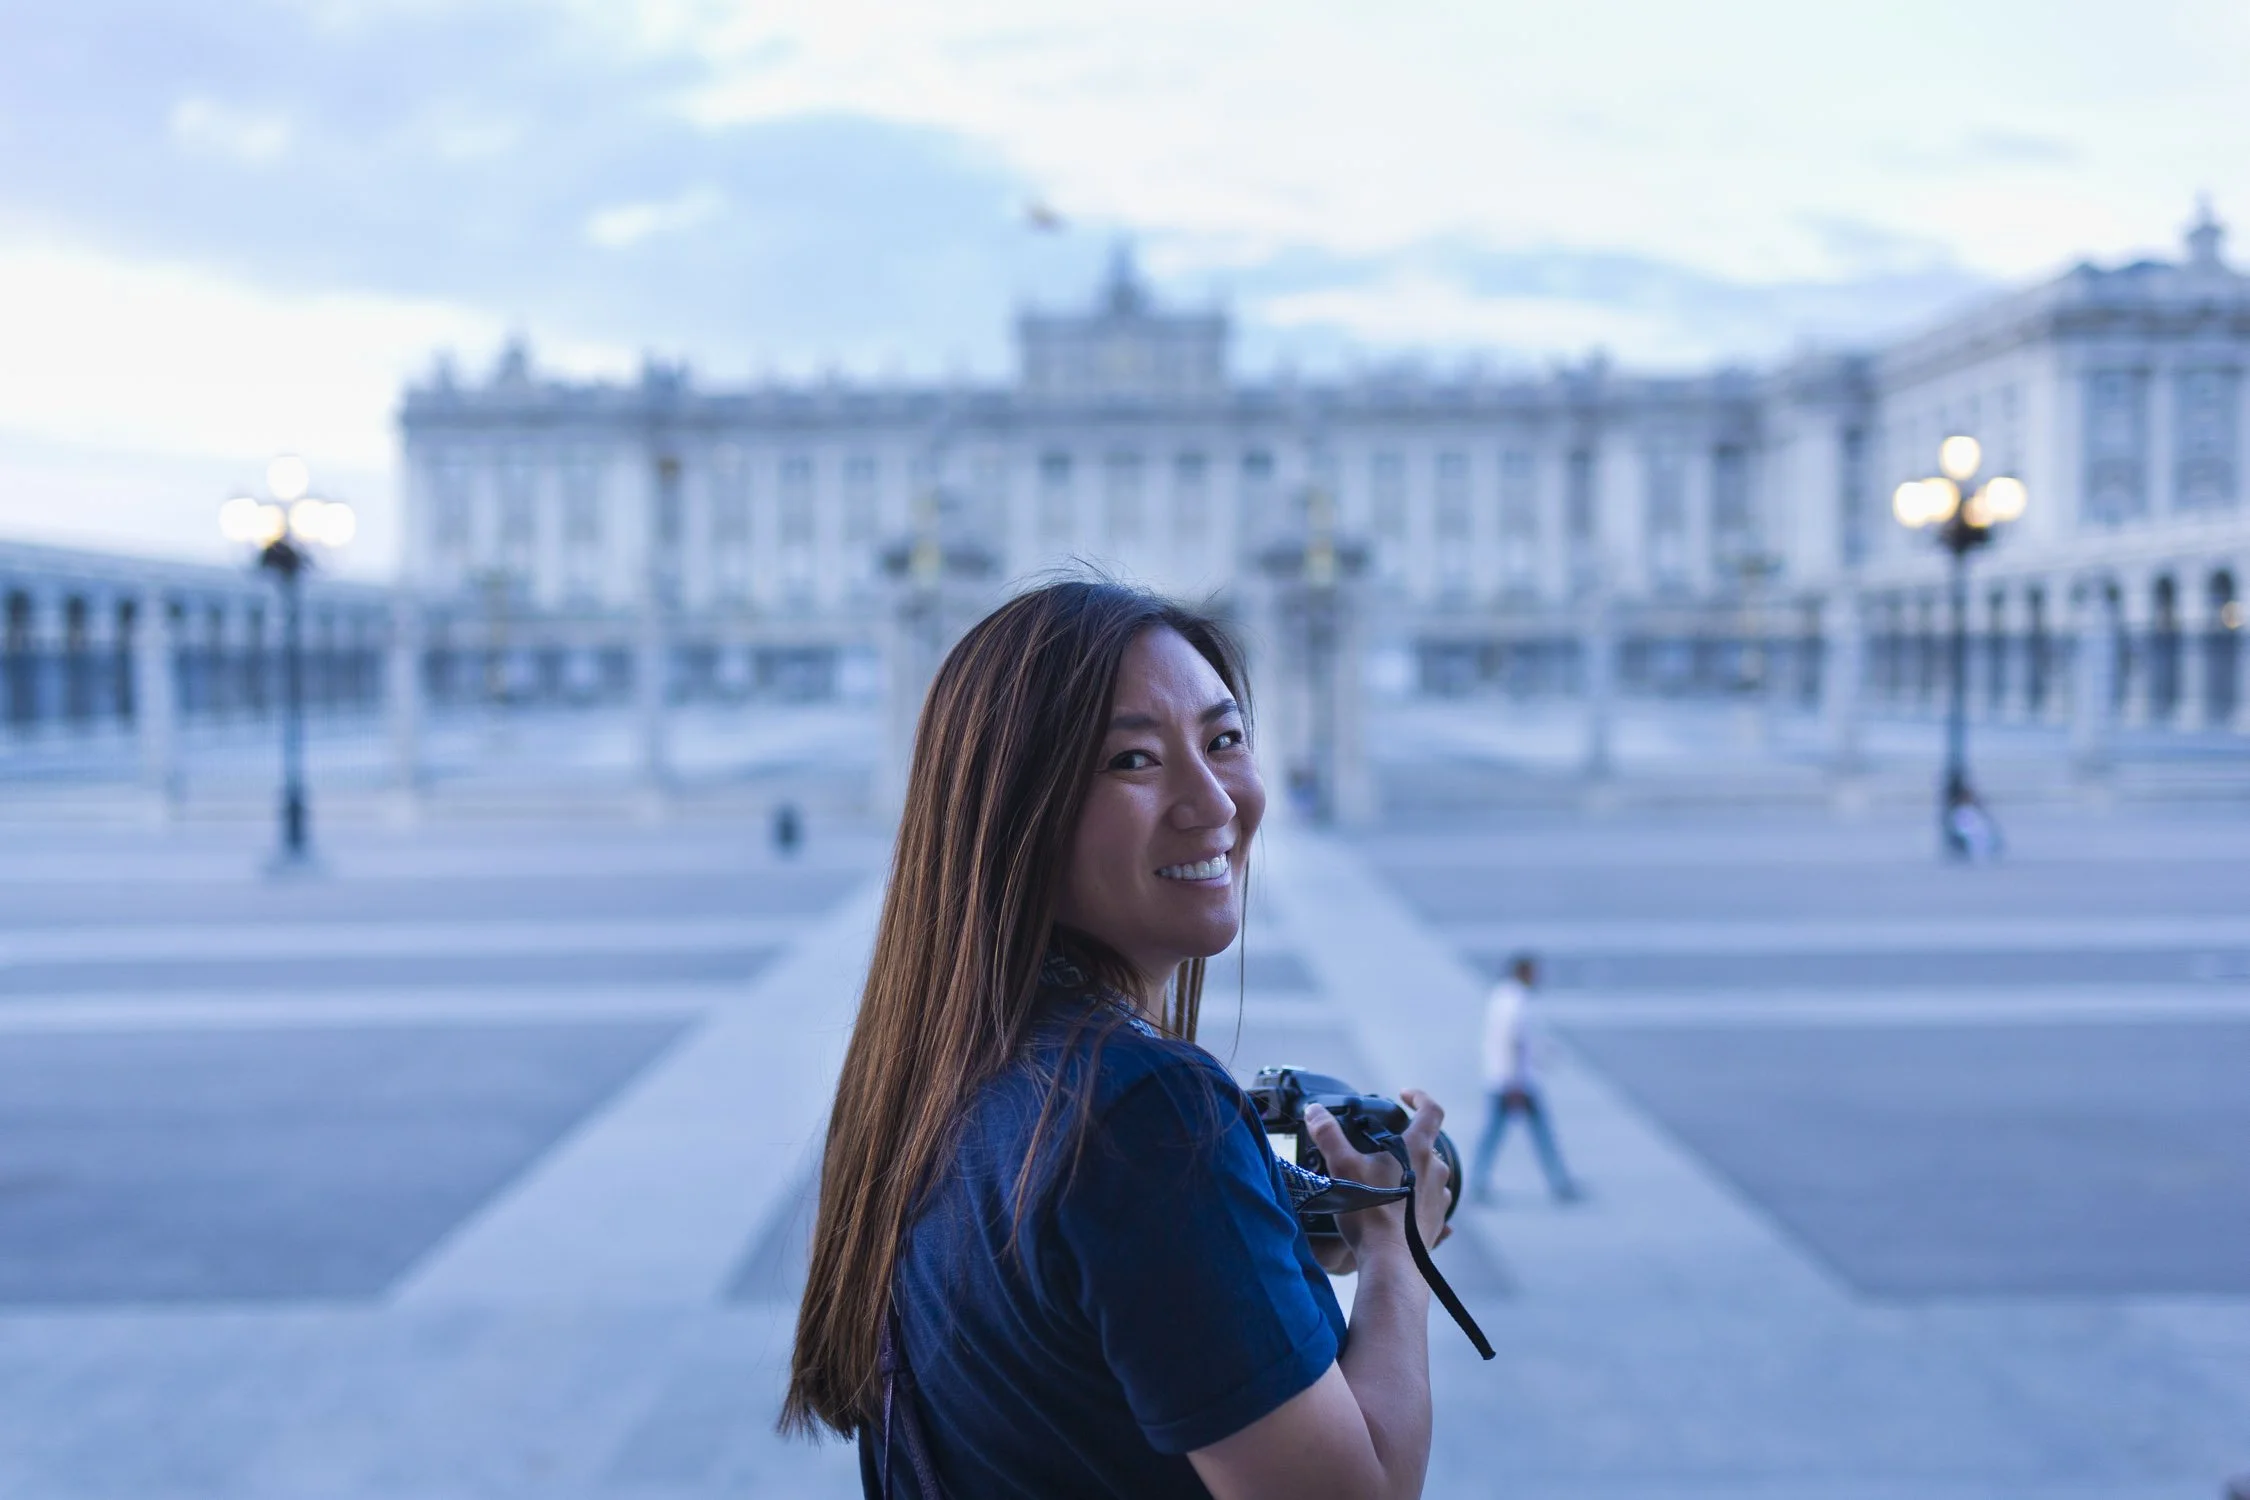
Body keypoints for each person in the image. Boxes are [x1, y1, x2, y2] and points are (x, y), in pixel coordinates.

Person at [784, 579, 1452, 1500]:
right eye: (1134, 761)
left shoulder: (944, 1061)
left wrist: (1256, 1252)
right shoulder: (1145, 1107)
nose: (1212, 800)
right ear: (1018, 813)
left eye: (1224, 740)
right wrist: (1397, 1246)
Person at [1468, 953, 1581, 1204]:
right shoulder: (1516, 1001)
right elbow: (1513, 1042)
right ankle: (1559, 1182)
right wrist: (1515, 1083)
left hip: (1504, 1077)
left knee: (1497, 1133)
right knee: (1536, 1133)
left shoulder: (1502, 996)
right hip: (1516, 1081)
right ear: (1524, 972)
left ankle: (1478, 1180)